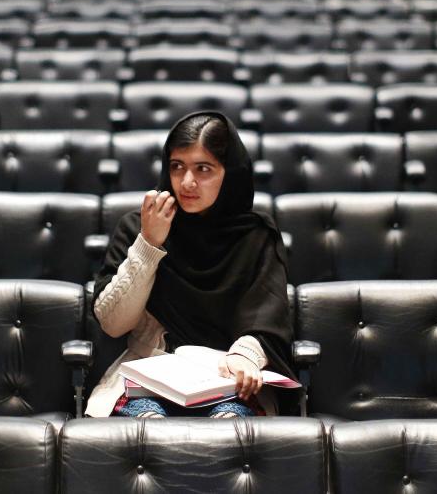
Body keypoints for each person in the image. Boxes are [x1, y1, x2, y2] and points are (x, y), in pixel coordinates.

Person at [85, 111, 295, 418]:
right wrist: (149, 244)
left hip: (226, 376)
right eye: (177, 167)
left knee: (230, 427)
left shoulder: (255, 236)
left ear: (230, 173)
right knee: (145, 428)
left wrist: (245, 357)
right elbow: (113, 323)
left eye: (204, 169)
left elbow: (268, 318)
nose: (187, 182)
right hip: (149, 375)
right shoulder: (139, 227)